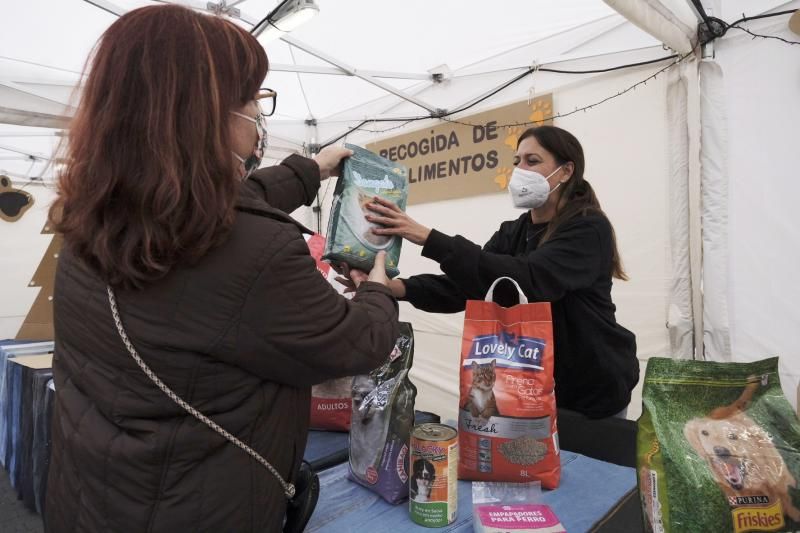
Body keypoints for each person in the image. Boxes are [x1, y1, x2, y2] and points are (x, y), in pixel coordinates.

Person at [45, 5, 398, 533]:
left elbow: (227, 204)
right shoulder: (255, 248)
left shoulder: (92, 215)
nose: (260, 112)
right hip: (197, 507)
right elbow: (356, 343)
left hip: (92, 495)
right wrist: (379, 290)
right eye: (255, 97)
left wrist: (308, 171)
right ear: (206, 110)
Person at [363, 125, 638, 419]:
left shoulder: (588, 228)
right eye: (517, 161)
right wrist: (394, 288)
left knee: (582, 466)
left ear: (566, 171)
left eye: (532, 161)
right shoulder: (514, 231)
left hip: (587, 393)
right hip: (526, 384)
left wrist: (427, 237)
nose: (520, 170)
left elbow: (532, 279)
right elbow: (471, 285)